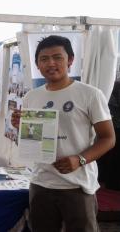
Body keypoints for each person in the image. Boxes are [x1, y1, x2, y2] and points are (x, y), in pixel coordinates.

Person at [11, 35, 115, 232]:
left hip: (77, 186)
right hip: (41, 184)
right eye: (44, 59)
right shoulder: (31, 97)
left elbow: (108, 138)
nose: (51, 63)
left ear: (70, 60)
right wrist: (22, 128)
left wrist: (80, 159)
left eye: (57, 57)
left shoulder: (90, 94)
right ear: (37, 64)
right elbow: (32, 141)